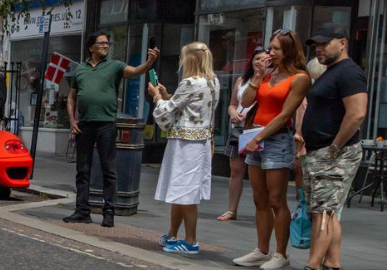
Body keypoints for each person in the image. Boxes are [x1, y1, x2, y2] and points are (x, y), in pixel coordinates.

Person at [285, 26, 368, 270]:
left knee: (323, 212)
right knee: (326, 211)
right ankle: (332, 266)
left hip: (334, 154)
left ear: (342, 43)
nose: (319, 49)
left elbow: (357, 114)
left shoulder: (349, 73)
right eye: (316, 45)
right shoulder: (332, 72)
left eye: (324, 43)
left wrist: (335, 147)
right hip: (320, 152)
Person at [232, 29, 311, 270]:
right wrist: (258, 75)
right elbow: (246, 102)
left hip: (276, 139)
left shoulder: (299, 78)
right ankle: (261, 249)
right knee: (260, 199)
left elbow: (286, 114)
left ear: (289, 50)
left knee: (276, 199)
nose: (271, 52)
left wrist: (259, 137)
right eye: (270, 47)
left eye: (276, 48)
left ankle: (281, 254)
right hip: (256, 136)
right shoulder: (268, 73)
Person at [63, 32, 159, 227]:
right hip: (84, 124)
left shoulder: (115, 66)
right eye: (101, 43)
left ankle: (109, 212)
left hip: (106, 123)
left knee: (109, 169)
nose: (105, 46)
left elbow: (136, 71)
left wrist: (150, 62)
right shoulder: (80, 69)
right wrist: (72, 121)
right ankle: (82, 211)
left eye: (107, 43)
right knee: (82, 169)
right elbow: (71, 97)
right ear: (91, 47)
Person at [147, 42, 220, 255]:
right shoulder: (213, 81)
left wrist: (156, 96)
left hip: (185, 143)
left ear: (190, 59)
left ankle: (191, 241)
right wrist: (168, 95)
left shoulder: (190, 82)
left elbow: (166, 112)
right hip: (201, 140)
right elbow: (189, 107)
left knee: (186, 192)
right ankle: (172, 234)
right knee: (181, 190)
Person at [217, 51, 261, 221]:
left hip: (256, 130)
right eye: (257, 59)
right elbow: (233, 104)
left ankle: (261, 211)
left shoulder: (268, 80)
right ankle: (231, 210)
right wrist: (233, 113)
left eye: (264, 59)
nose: (260, 62)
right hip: (238, 129)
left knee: (257, 173)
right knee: (236, 171)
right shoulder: (242, 80)